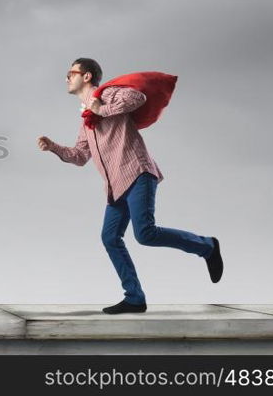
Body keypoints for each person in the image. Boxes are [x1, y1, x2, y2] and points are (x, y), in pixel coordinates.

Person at [37, 58, 223, 314]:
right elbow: (80, 156)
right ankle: (134, 298)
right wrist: (53, 147)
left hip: (137, 173)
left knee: (144, 233)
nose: (67, 78)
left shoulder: (108, 94)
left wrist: (101, 108)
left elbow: (136, 98)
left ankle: (207, 246)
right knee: (110, 237)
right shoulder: (86, 122)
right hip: (116, 188)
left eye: (71, 72)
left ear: (87, 76)